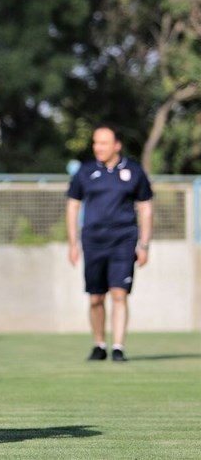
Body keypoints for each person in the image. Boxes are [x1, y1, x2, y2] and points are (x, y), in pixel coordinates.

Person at [66, 124, 153, 362]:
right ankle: (99, 344)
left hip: (123, 241)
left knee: (119, 293)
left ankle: (117, 347)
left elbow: (145, 208)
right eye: (95, 143)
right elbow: (73, 206)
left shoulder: (134, 172)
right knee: (96, 297)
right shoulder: (85, 172)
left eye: (103, 143)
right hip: (93, 241)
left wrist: (144, 245)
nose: (98, 147)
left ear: (117, 145)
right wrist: (73, 243)